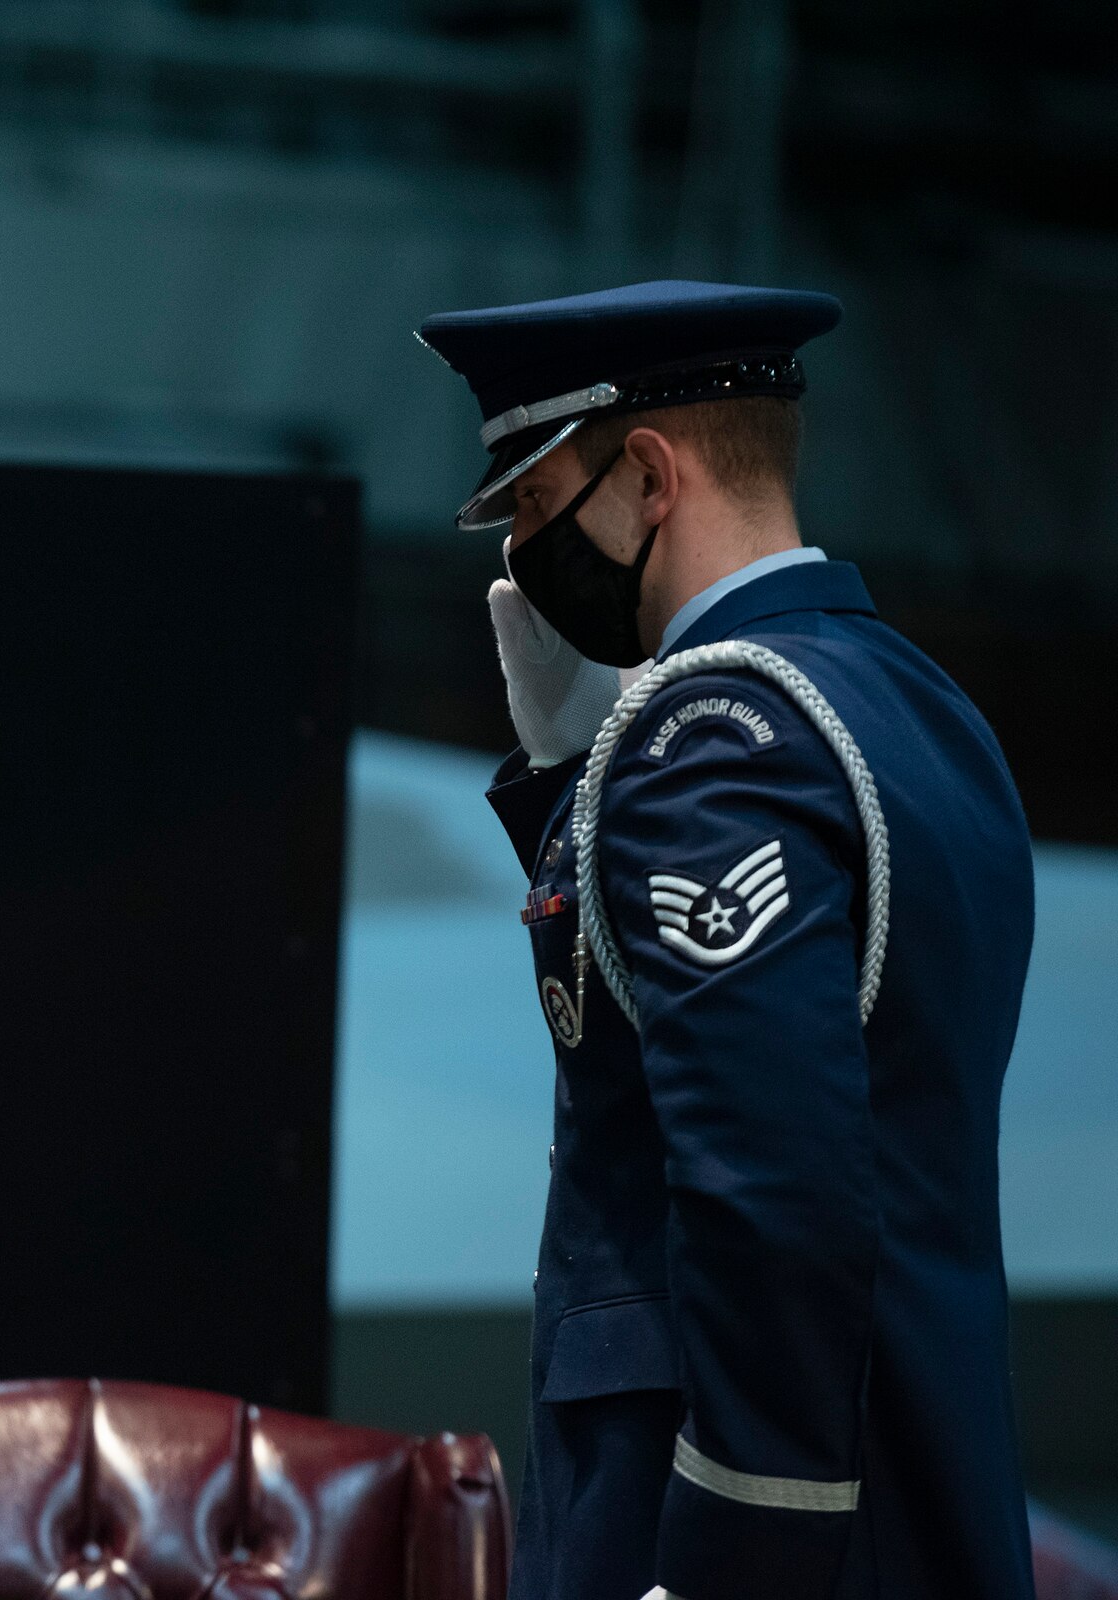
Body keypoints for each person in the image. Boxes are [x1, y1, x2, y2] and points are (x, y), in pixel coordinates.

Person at [417, 281, 1037, 1600]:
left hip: (727, 1517)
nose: (524, 557)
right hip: (919, 1476)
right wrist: (573, 779)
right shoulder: (918, 710)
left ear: (648, 477)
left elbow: (779, 1200)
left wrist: (735, 1556)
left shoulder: (707, 750)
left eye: (533, 505)